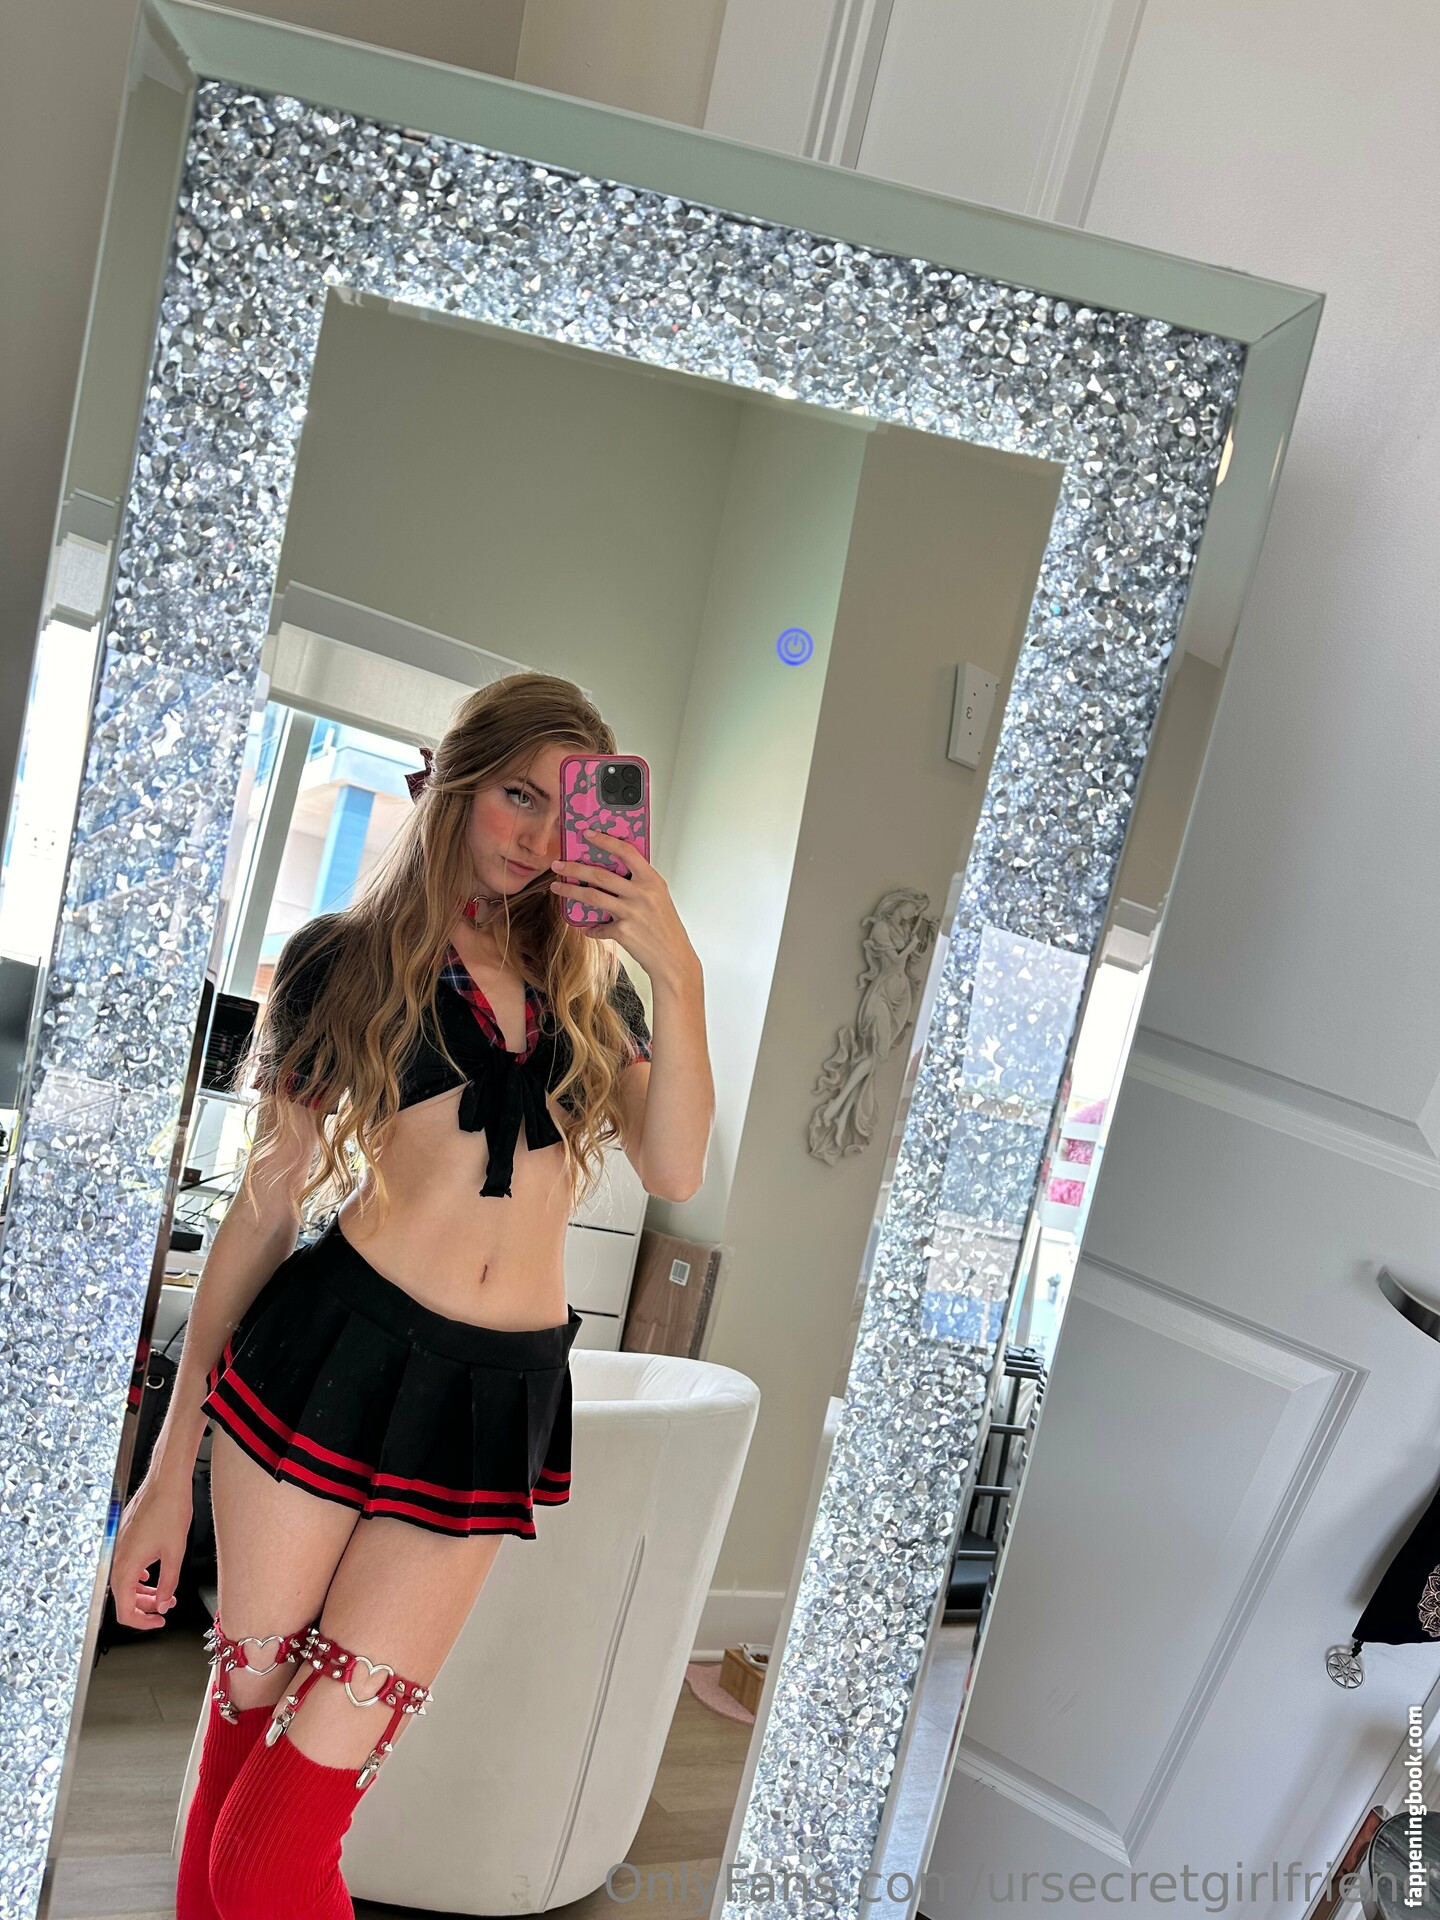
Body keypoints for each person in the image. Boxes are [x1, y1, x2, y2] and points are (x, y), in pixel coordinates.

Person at [109, 671, 714, 1919]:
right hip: (327, 1358)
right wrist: (167, 1472)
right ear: (455, 782)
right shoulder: (343, 960)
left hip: (491, 1398)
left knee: (272, 1841)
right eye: (516, 795)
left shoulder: (599, 993)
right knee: (242, 1772)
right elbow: (266, 1207)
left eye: (565, 807)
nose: (539, 836)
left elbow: (675, 1167)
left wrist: (680, 972)